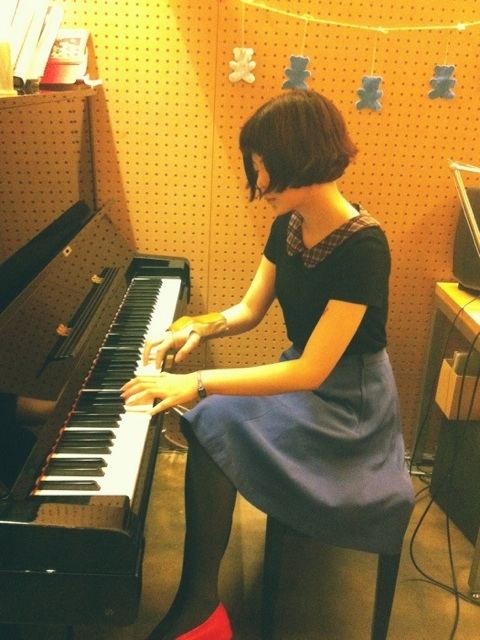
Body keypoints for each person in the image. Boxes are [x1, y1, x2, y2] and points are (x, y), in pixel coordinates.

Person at [121, 89, 415, 640]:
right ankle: (200, 602)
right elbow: (249, 310)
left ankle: (197, 605)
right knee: (210, 419)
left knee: (210, 414)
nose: (258, 185)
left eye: (264, 168)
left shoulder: (365, 247)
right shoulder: (290, 224)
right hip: (307, 379)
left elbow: (312, 372)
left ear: (303, 158)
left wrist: (199, 382)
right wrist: (195, 327)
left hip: (350, 406)